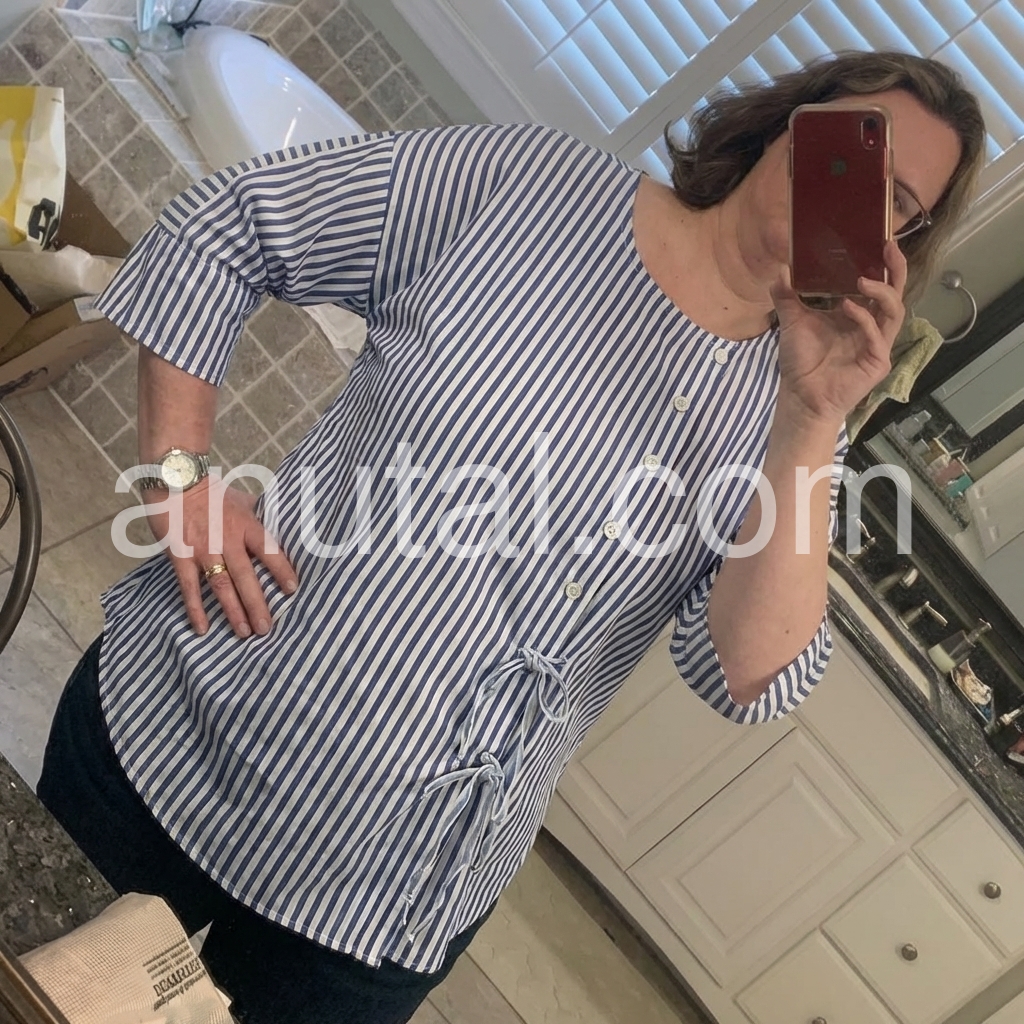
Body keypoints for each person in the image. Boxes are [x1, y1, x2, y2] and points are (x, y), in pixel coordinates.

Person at [37, 50, 984, 1024]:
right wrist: (181, 475)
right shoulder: (525, 185)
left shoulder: (800, 418)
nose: (857, 191)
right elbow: (235, 222)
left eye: (896, 200)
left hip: (388, 890)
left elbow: (749, 675)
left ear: (899, 243)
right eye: (857, 144)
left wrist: (812, 419)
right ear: (793, 119)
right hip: (185, 733)